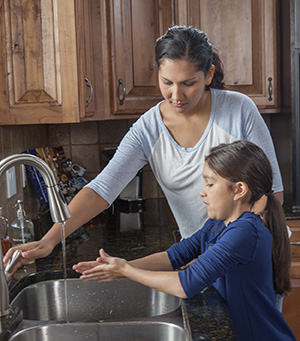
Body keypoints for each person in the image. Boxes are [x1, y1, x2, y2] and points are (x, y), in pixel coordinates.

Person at [4, 26, 283, 272]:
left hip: (247, 259)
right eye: (167, 82)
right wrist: (49, 240)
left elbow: (271, 195)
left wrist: (217, 255)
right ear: (157, 74)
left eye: (188, 83)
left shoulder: (239, 109)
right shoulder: (148, 128)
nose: (176, 95)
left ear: (208, 74)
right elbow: (103, 189)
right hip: (196, 258)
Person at [73, 141, 295, 341]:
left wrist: (125, 271)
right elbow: (175, 256)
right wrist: (122, 265)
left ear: (239, 190)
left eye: (210, 184)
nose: (202, 192)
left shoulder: (245, 232)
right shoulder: (220, 223)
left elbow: (185, 284)